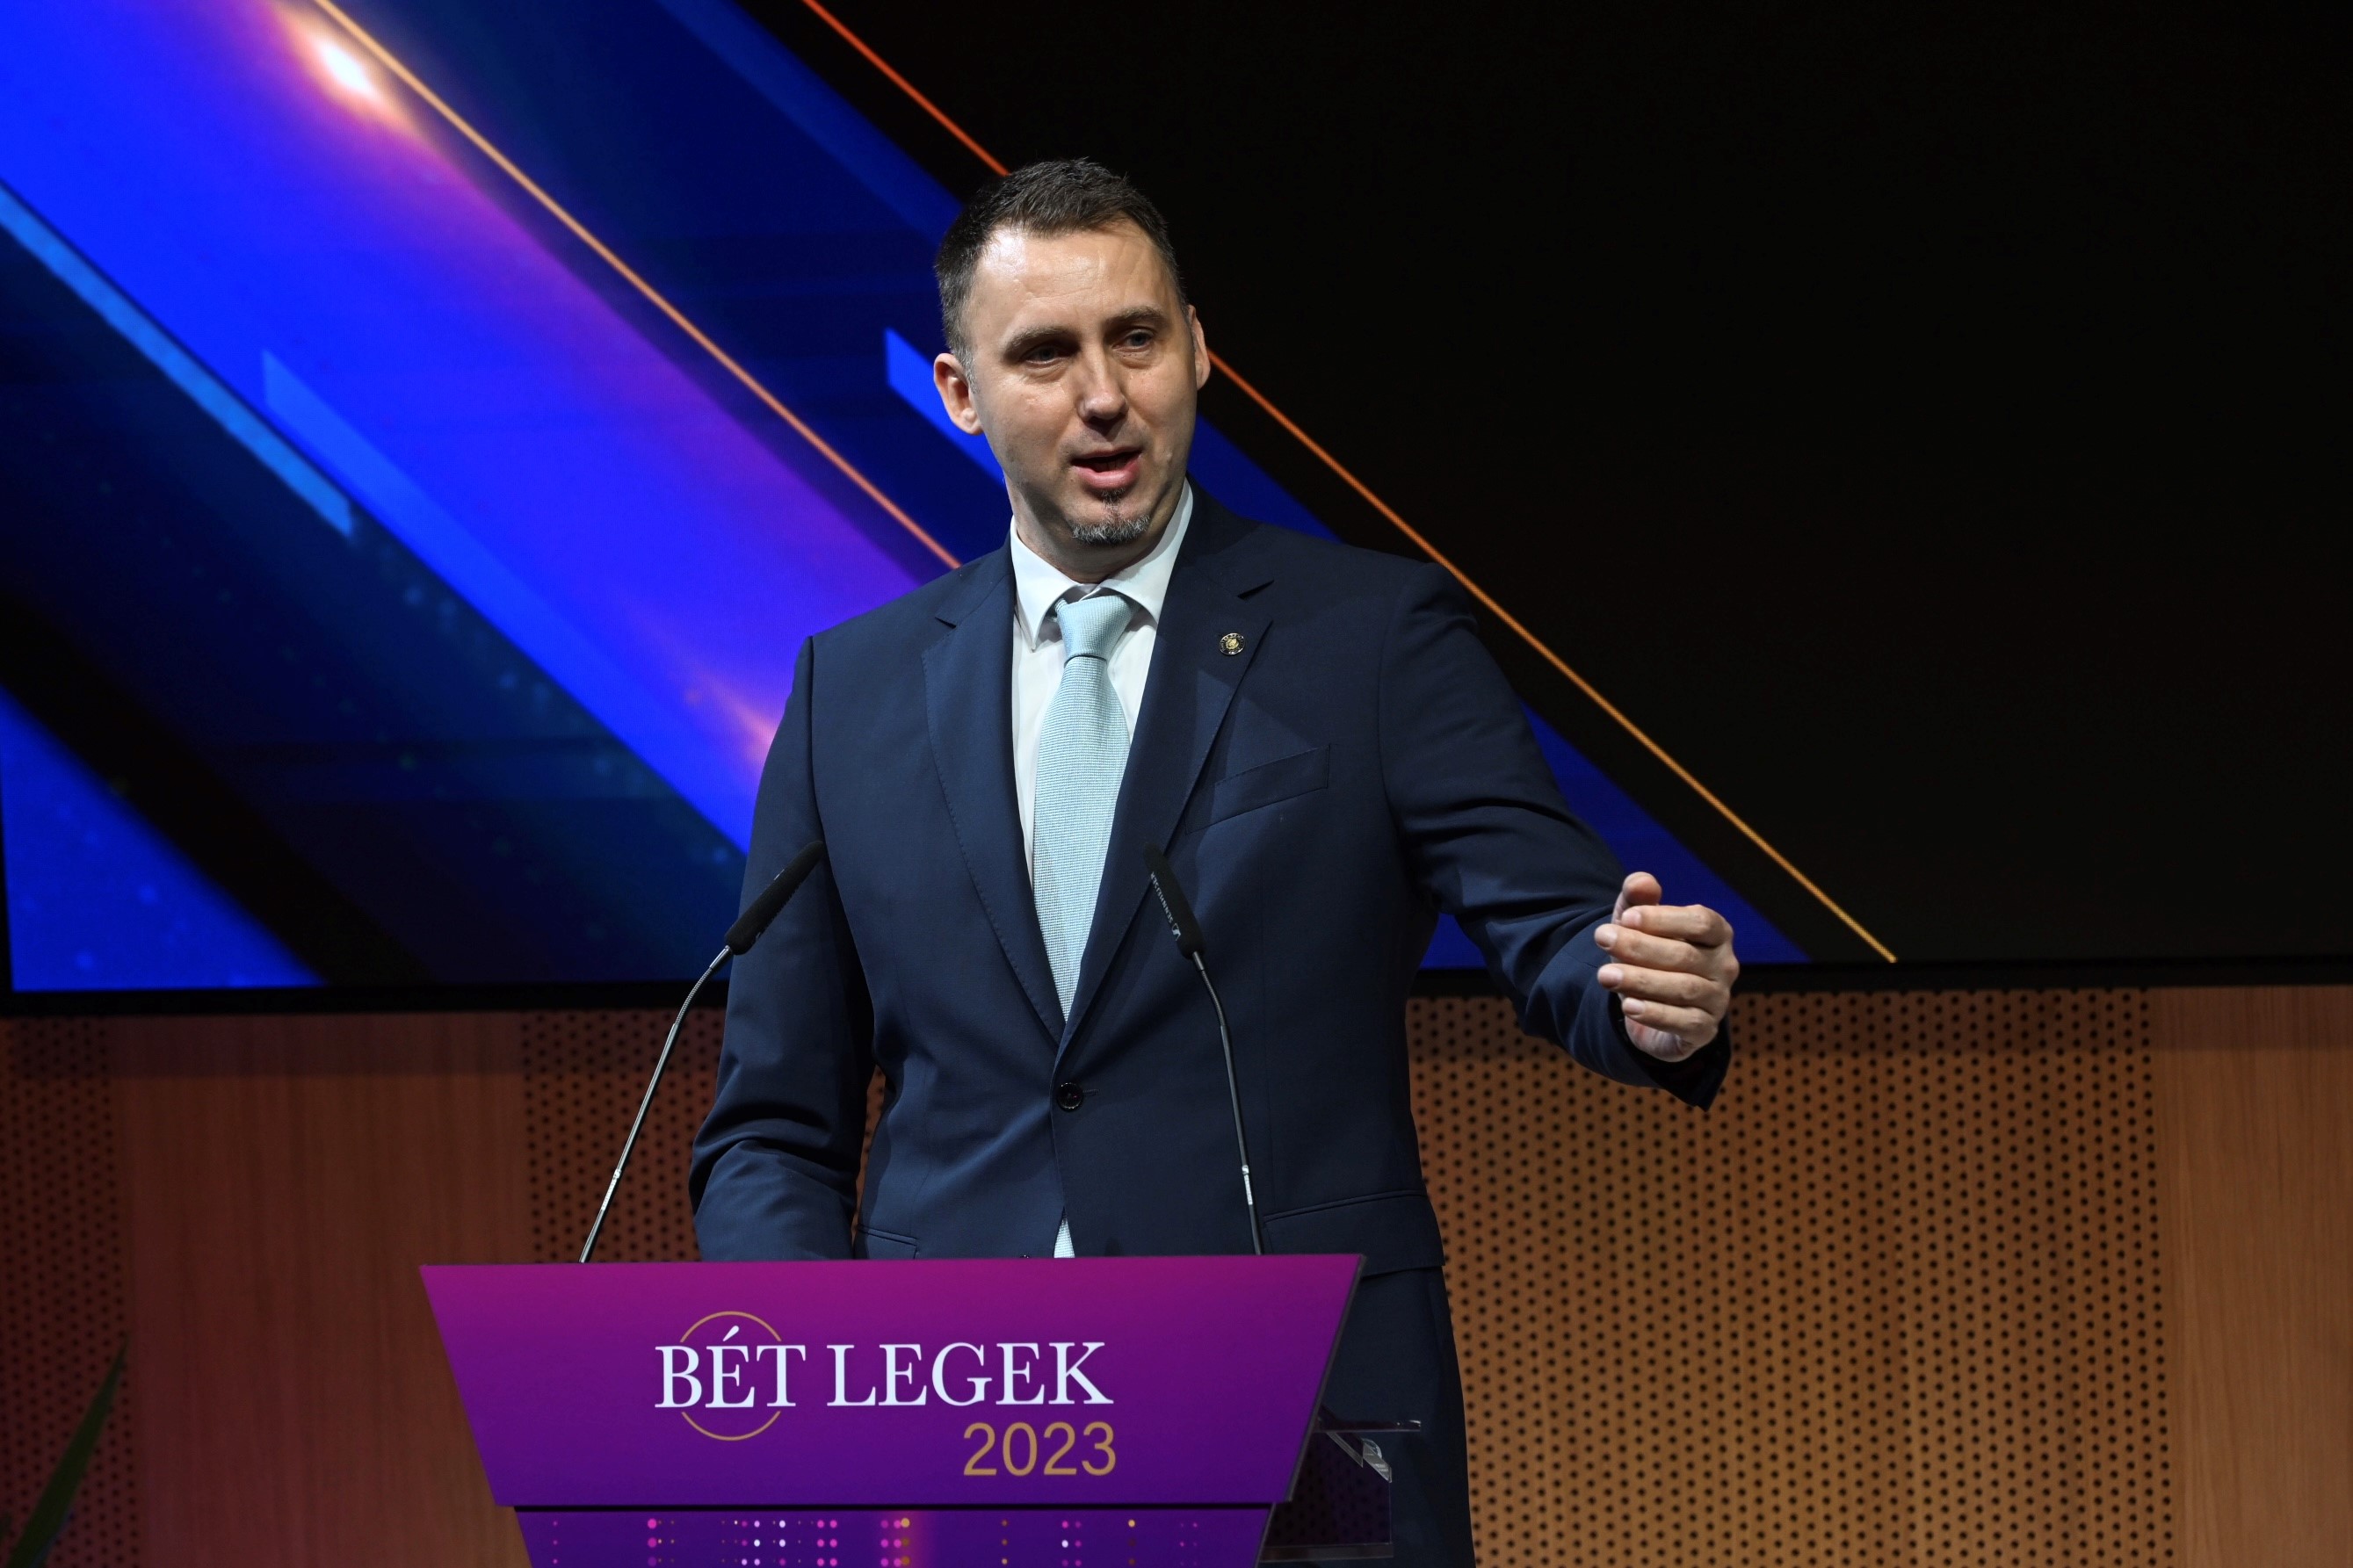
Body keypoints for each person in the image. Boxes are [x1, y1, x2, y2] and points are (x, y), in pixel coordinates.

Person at [691, 158, 1739, 1564]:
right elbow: (772, 1124)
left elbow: (1553, 925)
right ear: (958, 391)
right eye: (1044, 354)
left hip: (1303, 1418)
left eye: (1134, 337)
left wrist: (1645, 993)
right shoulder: (850, 691)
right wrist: (813, 1377)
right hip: (955, 1430)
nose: (1102, 393)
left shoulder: (1371, 636)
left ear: (1196, 348)